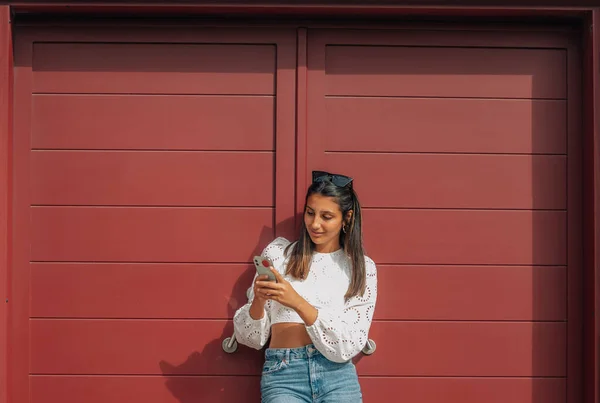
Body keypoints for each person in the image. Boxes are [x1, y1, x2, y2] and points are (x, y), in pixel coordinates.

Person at [233, 170, 378, 403]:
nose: (315, 224)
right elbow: (251, 339)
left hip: (337, 376)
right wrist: (258, 301)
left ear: (347, 218)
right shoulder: (280, 254)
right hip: (284, 375)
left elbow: (350, 343)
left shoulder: (361, 267)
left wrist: (297, 302)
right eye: (310, 213)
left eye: (326, 216)